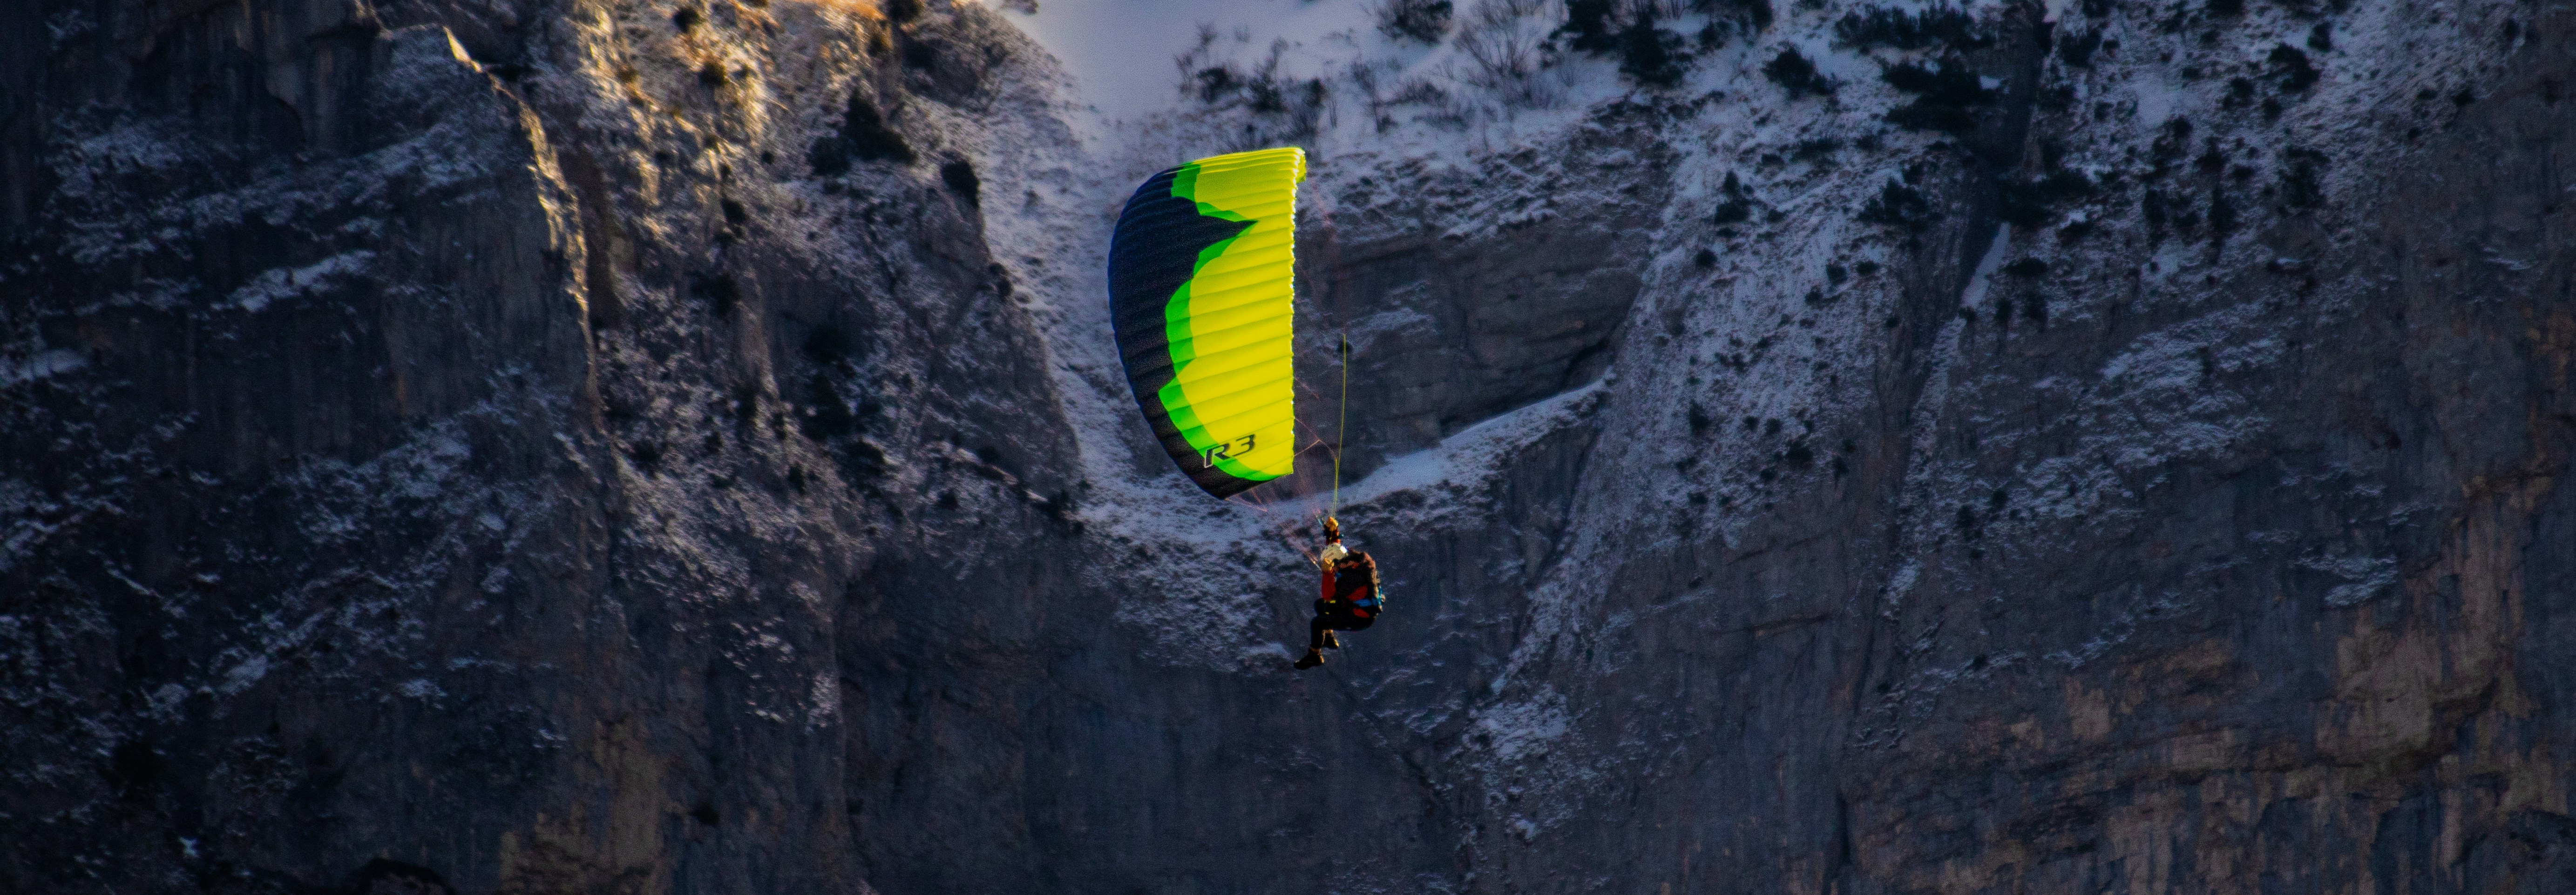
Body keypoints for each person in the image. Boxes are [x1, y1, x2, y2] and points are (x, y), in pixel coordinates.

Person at [1295, 518, 1383, 670]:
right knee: (1320, 605)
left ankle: (1315, 656)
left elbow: (1330, 597)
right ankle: (1329, 637)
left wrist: (1327, 574)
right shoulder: (1358, 560)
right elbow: (1338, 550)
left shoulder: (1351, 580)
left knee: (1318, 623)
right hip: (1353, 606)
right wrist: (1333, 534)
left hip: (1360, 618)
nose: (1335, 570)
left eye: (1334, 567)